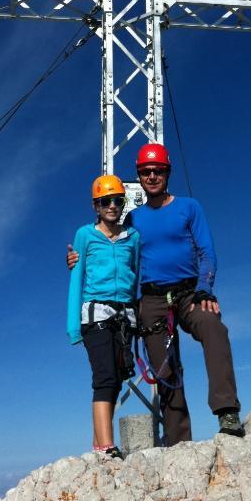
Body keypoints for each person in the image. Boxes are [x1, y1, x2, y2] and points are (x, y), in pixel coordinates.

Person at [68, 144, 244, 446]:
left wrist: (206, 288)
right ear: (139, 174)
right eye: (146, 171)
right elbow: (111, 246)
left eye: (158, 170)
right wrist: (77, 258)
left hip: (190, 291)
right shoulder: (133, 220)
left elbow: (207, 252)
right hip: (151, 299)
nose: (152, 176)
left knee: (213, 326)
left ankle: (226, 411)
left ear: (167, 172)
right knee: (164, 367)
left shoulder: (190, 207)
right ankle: (178, 442)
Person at [67, 174, 140, 458]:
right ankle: (108, 449)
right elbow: (77, 279)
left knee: (117, 378)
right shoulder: (85, 235)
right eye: (105, 201)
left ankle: (99, 445)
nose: (112, 206)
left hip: (124, 319)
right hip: (95, 316)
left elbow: (135, 273)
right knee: (105, 378)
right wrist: (73, 327)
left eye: (117, 200)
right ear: (95, 206)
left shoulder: (133, 237)